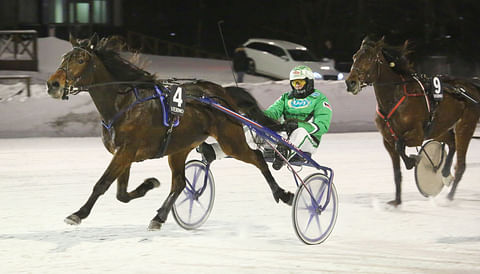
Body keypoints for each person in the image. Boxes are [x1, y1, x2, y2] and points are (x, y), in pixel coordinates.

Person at [198, 65, 332, 170]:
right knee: (253, 130)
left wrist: (299, 125)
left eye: (300, 83)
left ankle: (283, 154)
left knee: (300, 132)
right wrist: (252, 117)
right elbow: (271, 114)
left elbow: (322, 126)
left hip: (307, 141)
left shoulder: (319, 100)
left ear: (309, 83)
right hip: (284, 138)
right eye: (295, 83)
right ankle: (215, 151)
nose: (297, 86)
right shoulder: (286, 98)